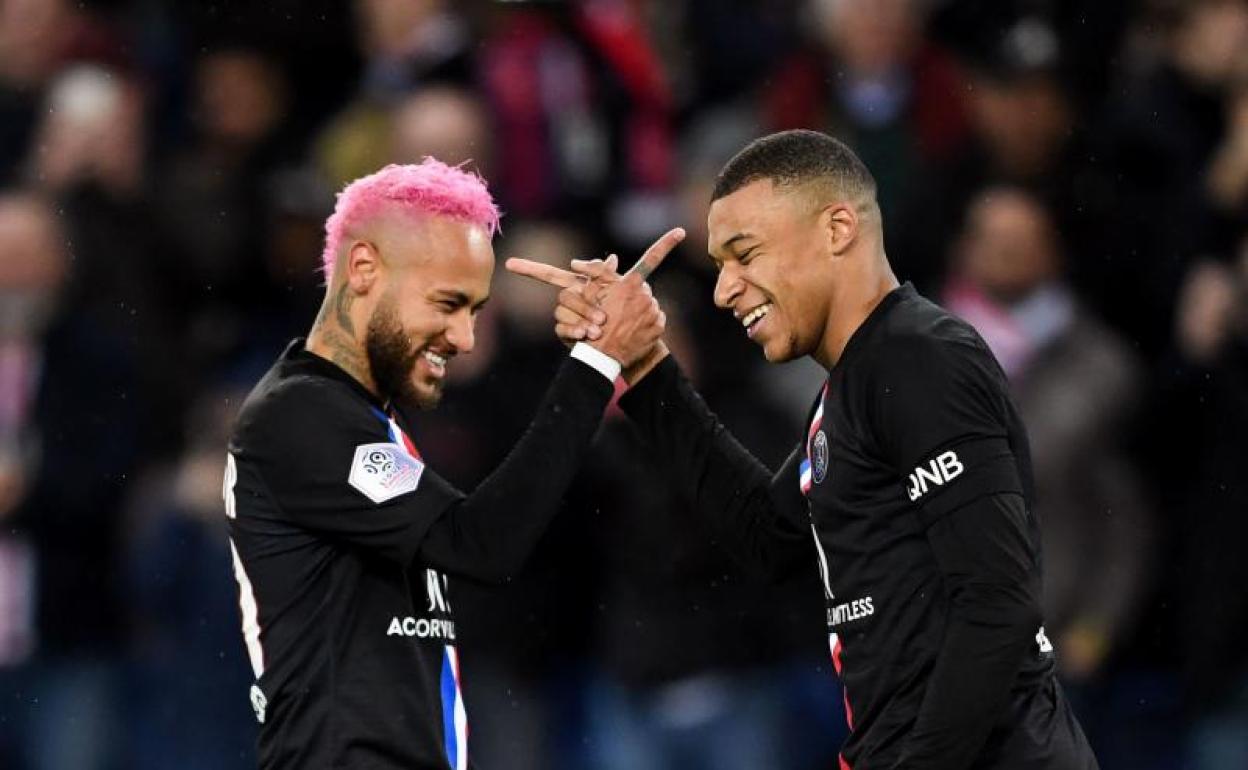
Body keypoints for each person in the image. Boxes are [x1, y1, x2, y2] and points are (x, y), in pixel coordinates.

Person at [508, 129, 1098, 769]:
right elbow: (769, 538)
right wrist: (646, 365)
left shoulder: (921, 359)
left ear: (837, 228)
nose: (722, 288)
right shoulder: (854, 384)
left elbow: (996, 599)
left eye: (746, 254)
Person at [224, 158, 678, 769]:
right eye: (447, 302)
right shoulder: (300, 416)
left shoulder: (359, 418)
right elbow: (478, 544)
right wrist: (594, 367)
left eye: (475, 310)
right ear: (363, 269)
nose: (464, 338)